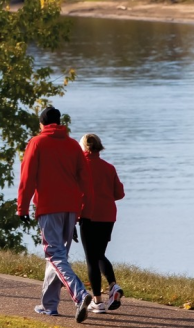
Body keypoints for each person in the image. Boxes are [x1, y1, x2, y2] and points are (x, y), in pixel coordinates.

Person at [17, 106, 93, 323]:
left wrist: (22, 207)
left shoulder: (37, 142)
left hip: (49, 207)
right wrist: (84, 211)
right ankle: (48, 305)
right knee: (59, 257)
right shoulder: (72, 145)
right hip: (71, 208)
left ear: (41, 124)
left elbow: (27, 177)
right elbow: (86, 181)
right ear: (59, 123)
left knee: (55, 256)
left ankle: (79, 295)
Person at [78, 133, 125, 315]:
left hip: (88, 215)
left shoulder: (80, 167)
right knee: (99, 255)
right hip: (108, 216)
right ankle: (113, 286)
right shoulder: (109, 167)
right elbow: (119, 193)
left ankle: (97, 301)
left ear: (84, 148)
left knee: (92, 258)